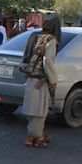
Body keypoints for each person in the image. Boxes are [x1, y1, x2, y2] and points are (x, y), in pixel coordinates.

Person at [21, 14, 60, 148]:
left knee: (32, 108)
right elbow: (47, 61)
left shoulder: (33, 36)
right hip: (41, 80)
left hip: (30, 76)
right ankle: (34, 137)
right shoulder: (51, 39)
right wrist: (53, 79)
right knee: (40, 110)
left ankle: (35, 135)